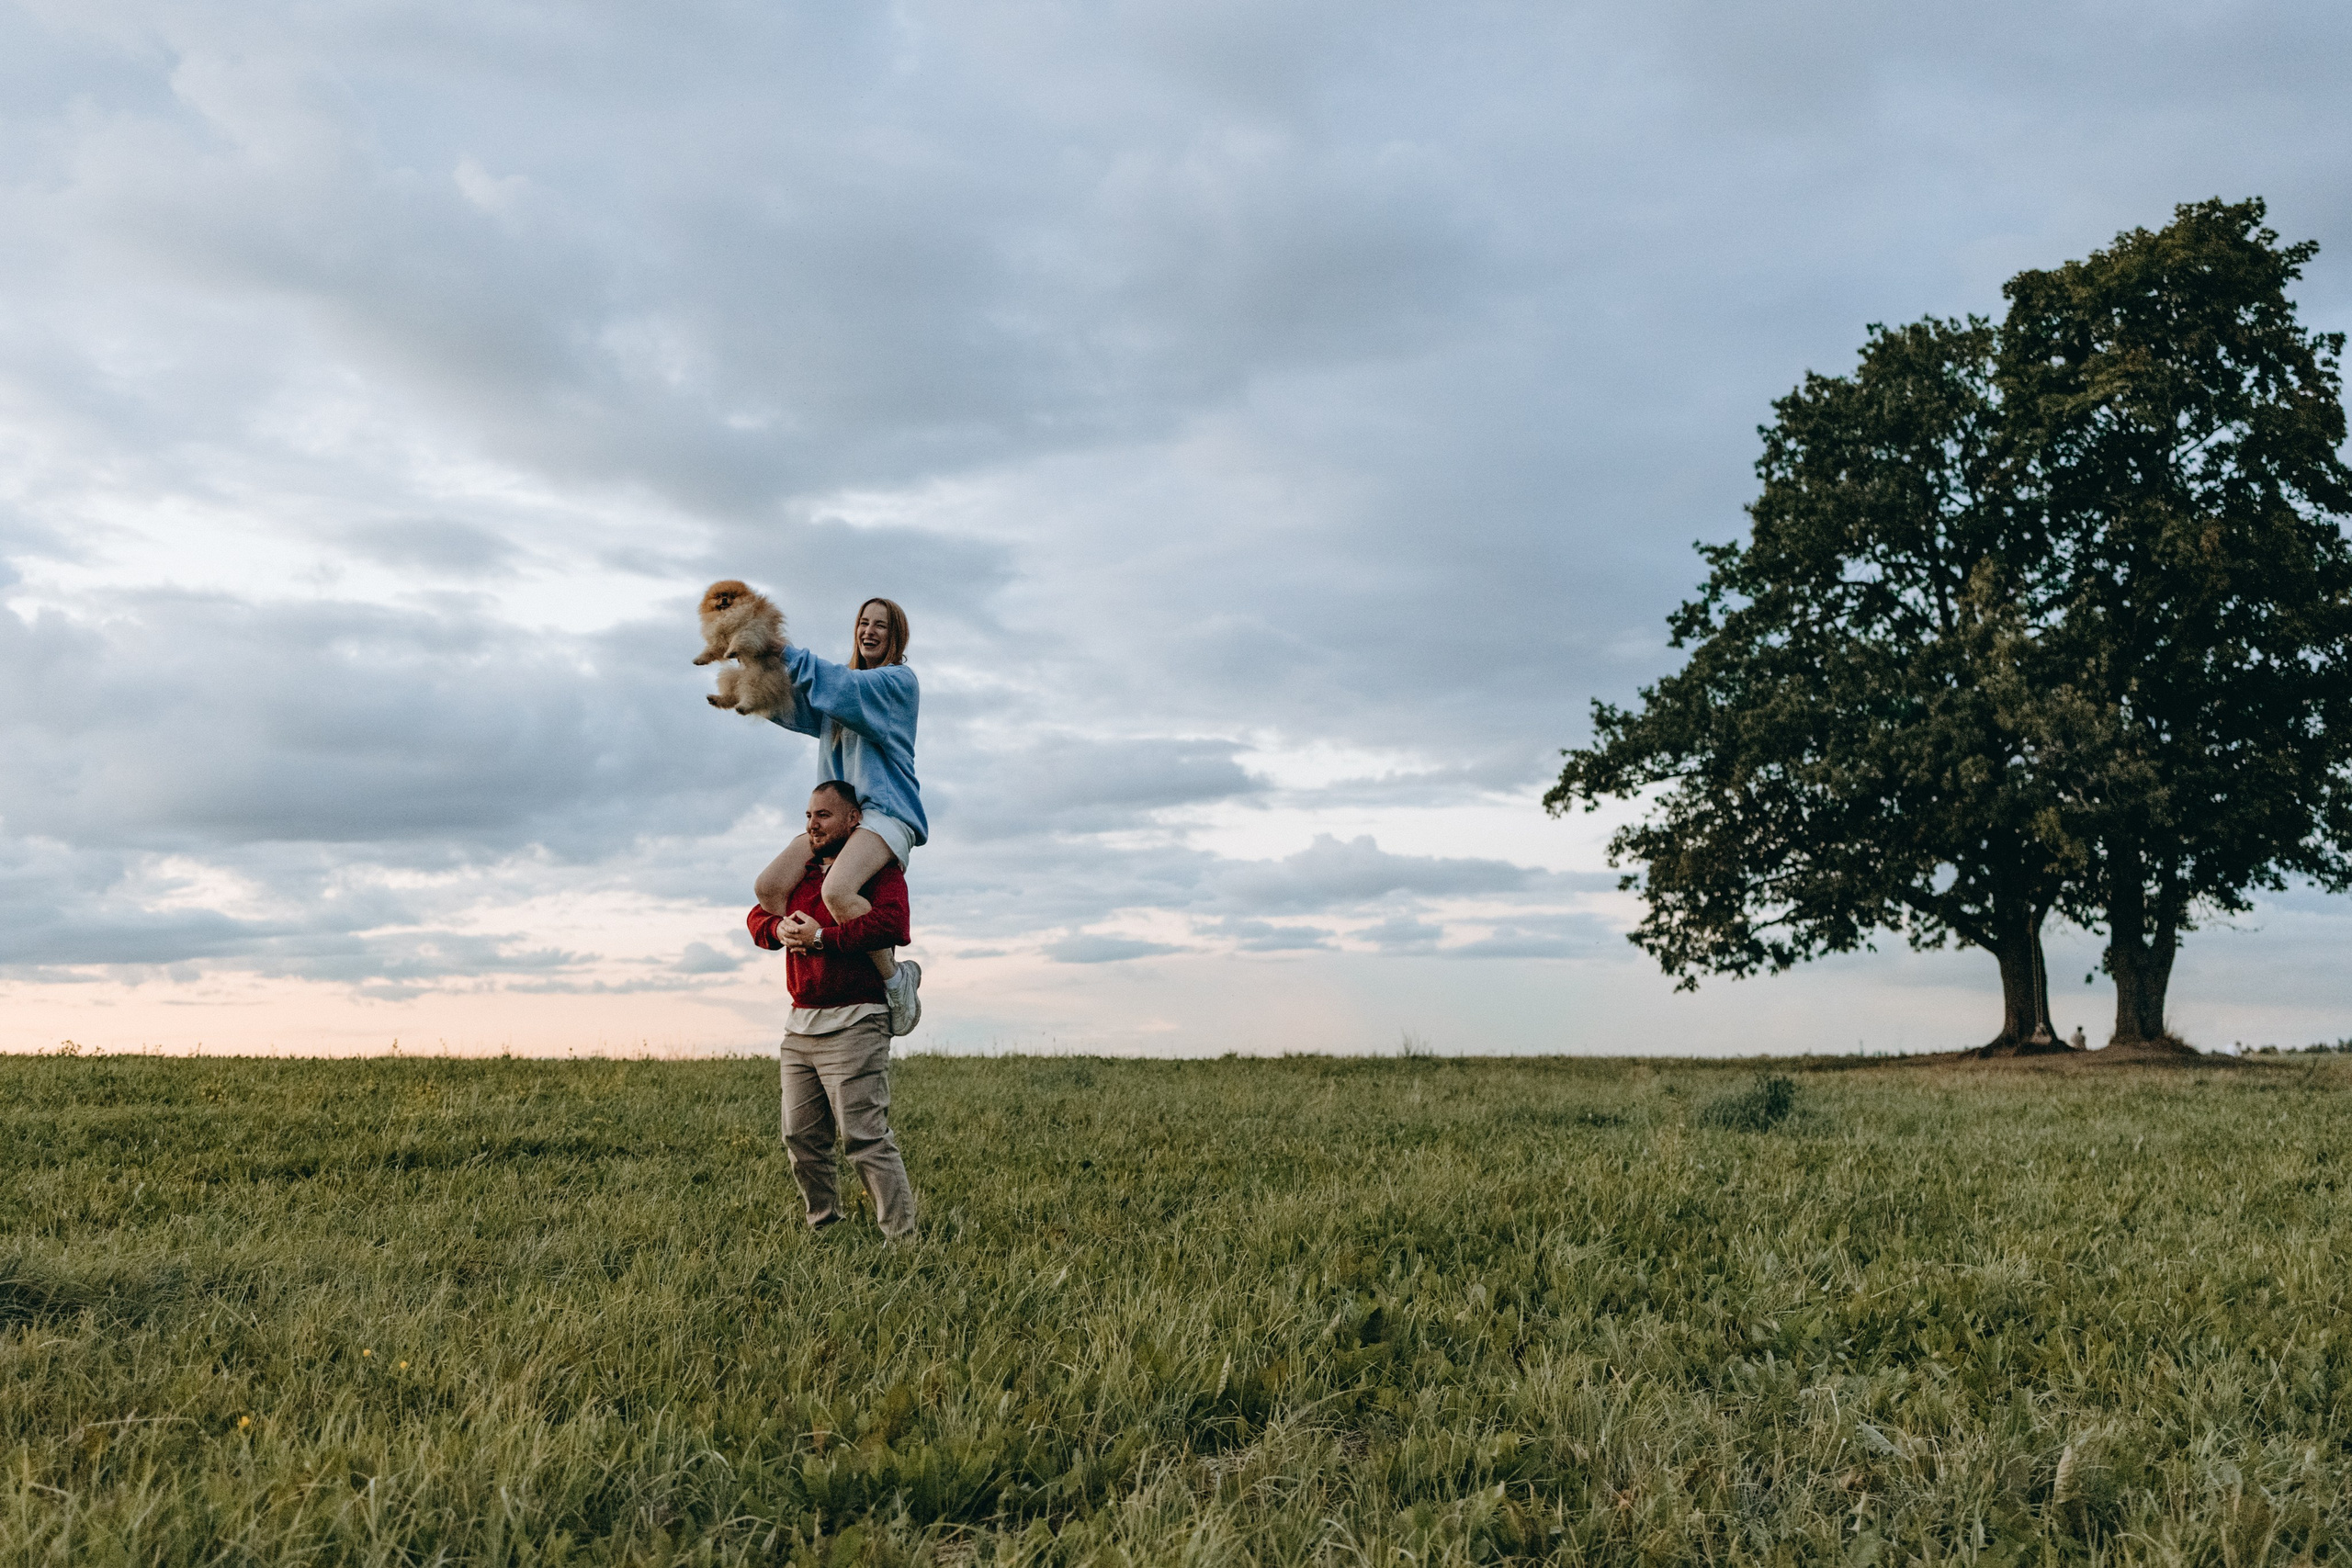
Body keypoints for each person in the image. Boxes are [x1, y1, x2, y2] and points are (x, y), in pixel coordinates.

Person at [748, 781, 917, 1238]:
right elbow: (755, 918)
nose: (812, 825)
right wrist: (777, 929)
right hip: (800, 1024)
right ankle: (825, 1230)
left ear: (853, 821)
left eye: (823, 816)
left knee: (864, 1139)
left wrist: (822, 937)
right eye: (807, 816)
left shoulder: (875, 873)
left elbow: (892, 925)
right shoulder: (800, 874)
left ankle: (903, 1242)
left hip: (857, 1019)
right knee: (801, 1139)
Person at [755, 597, 926, 1036]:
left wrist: (783, 650)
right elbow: (797, 705)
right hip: (838, 816)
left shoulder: (897, 683)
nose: (869, 631)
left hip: (885, 814)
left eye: (881, 626)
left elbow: (841, 689)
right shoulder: (843, 688)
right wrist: (750, 676)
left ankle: (895, 979)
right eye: (863, 623)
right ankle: (806, 947)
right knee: (770, 886)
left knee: (838, 890)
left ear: (896, 636)